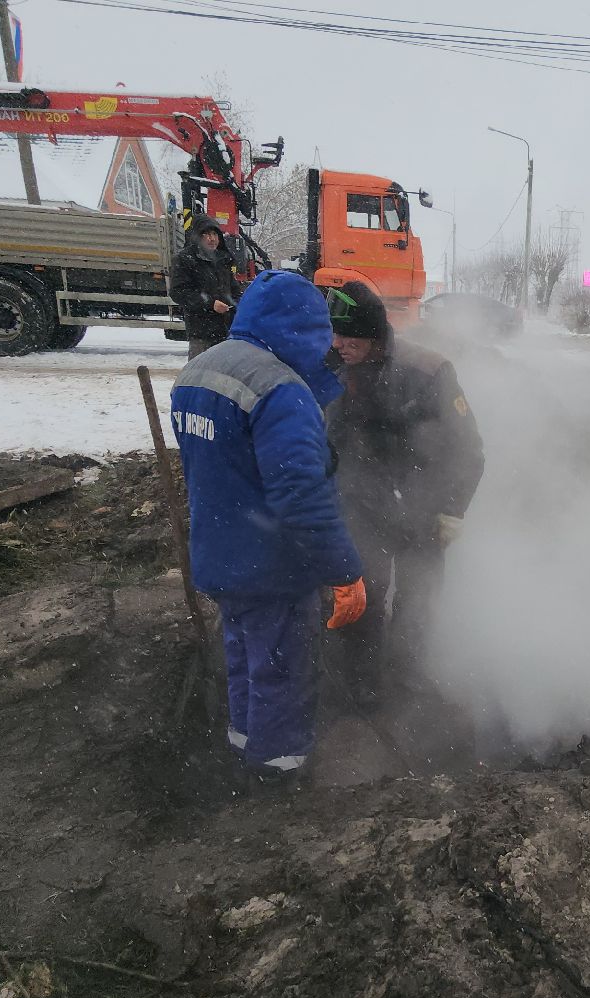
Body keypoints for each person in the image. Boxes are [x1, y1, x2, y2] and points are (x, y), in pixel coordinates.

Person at [171, 269, 369, 787]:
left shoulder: (200, 371)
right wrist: (344, 572)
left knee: (244, 657)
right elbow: (302, 495)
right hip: (270, 567)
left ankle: (244, 743)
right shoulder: (280, 390)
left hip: (218, 554)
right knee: (282, 672)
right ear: (302, 329)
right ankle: (278, 776)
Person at [322, 281, 485, 711]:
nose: (338, 345)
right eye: (333, 335)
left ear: (374, 333)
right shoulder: (331, 367)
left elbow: (467, 448)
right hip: (362, 504)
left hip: (423, 507)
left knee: (419, 598)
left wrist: (453, 510)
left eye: (348, 336)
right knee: (365, 596)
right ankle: (364, 688)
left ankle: (409, 680)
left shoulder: (427, 371)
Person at [168, 215, 237, 357]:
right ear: (197, 237)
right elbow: (178, 292)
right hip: (201, 332)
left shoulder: (224, 259)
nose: (211, 239)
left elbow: (234, 290)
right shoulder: (185, 259)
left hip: (226, 330)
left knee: (223, 374)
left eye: (214, 234)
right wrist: (210, 304)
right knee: (200, 374)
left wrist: (238, 304)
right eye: (206, 234)